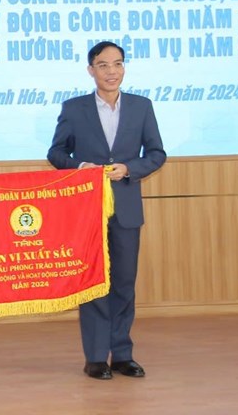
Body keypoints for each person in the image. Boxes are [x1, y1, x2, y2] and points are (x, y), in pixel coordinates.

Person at [47, 41, 166, 380]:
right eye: (103, 65)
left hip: (126, 208)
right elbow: (56, 153)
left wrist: (129, 168)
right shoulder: (74, 108)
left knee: (124, 283)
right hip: (87, 210)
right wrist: (81, 165)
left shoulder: (142, 107)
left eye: (117, 64)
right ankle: (96, 356)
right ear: (91, 70)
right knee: (94, 283)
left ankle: (123, 355)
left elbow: (157, 154)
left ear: (124, 68)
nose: (111, 71)